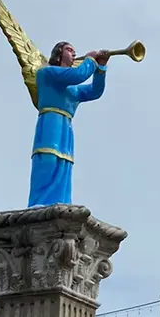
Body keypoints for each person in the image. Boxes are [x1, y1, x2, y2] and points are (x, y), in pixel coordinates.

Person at [28, 43, 110, 208]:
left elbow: (95, 91)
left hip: (66, 127)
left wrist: (101, 68)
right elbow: (77, 75)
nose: (73, 53)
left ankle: (61, 201)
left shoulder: (73, 89)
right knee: (48, 158)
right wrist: (90, 60)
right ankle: (40, 202)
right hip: (50, 122)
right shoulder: (47, 73)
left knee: (64, 163)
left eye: (74, 51)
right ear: (58, 53)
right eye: (69, 50)